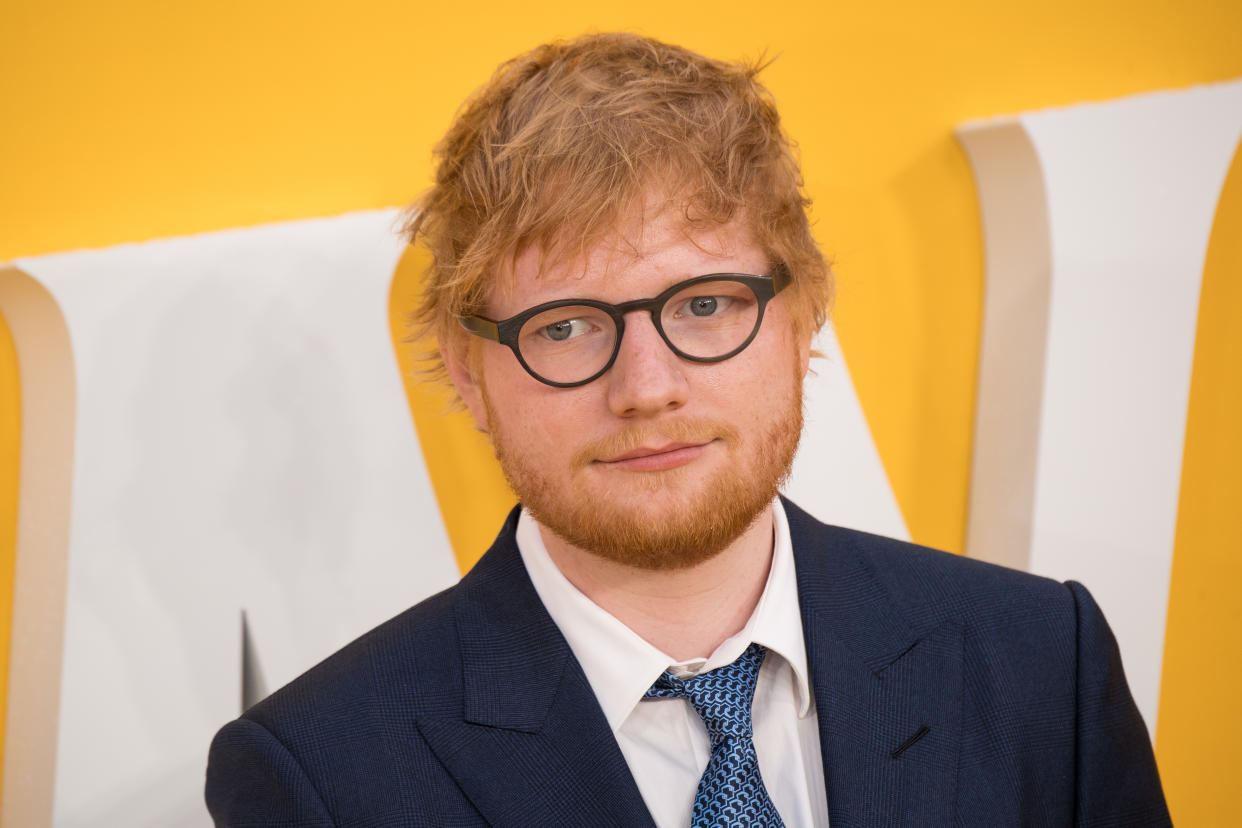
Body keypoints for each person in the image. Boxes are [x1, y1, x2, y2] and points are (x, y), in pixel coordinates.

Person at [205, 33, 1170, 826]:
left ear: (802, 317)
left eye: (705, 305)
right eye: (569, 327)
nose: (646, 388)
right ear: (469, 370)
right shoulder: (320, 780)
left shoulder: (1044, 660)